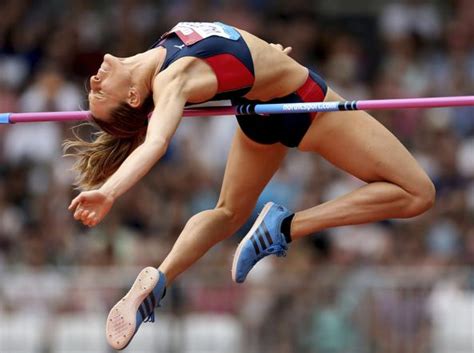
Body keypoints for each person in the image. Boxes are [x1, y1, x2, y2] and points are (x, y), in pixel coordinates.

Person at [65, 21, 435, 350]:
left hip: (258, 112)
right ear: (132, 98)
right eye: (99, 95)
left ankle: (161, 277)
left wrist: (267, 58)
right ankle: (286, 227)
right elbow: (157, 143)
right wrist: (110, 191)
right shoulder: (171, 79)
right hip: (301, 102)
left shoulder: (162, 50)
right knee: (417, 193)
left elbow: (232, 58)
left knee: (228, 213)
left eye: (93, 91)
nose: (93, 83)